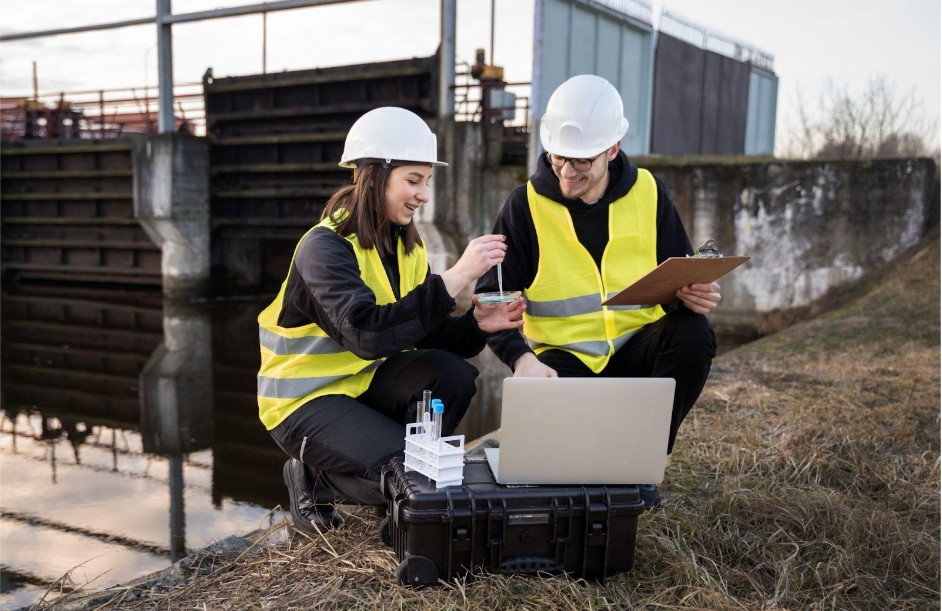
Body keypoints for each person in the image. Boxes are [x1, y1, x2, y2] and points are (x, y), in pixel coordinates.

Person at [257, 106, 525, 536]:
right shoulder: (323, 249)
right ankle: (312, 478)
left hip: (361, 387)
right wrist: (456, 275)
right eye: (413, 181)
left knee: (453, 374)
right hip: (303, 404)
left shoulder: (406, 249)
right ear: (374, 175)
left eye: (427, 183)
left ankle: (402, 496)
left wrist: (478, 324)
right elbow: (366, 333)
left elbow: (427, 333)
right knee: (406, 469)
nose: (423, 195)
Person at [475, 75, 720, 509]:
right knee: (555, 469)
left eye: (583, 160)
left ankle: (639, 462)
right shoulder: (524, 205)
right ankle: (588, 466)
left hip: (636, 350)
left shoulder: (648, 193)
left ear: (612, 149)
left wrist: (694, 293)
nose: (568, 171)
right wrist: (521, 358)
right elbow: (492, 299)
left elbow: (678, 276)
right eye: (559, 157)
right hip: (562, 362)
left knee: (693, 332)